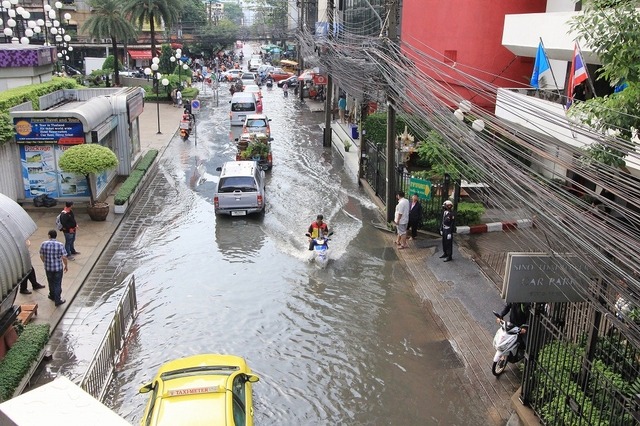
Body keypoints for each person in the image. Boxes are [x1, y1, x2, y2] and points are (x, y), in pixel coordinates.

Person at [39, 229, 68, 307]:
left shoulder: (43, 244)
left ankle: (52, 295)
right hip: (58, 268)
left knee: (50, 281)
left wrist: (45, 262)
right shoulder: (60, 245)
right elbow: (64, 257)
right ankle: (57, 300)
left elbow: (41, 255)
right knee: (57, 283)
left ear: (49, 235)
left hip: (48, 268)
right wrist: (66, 266)